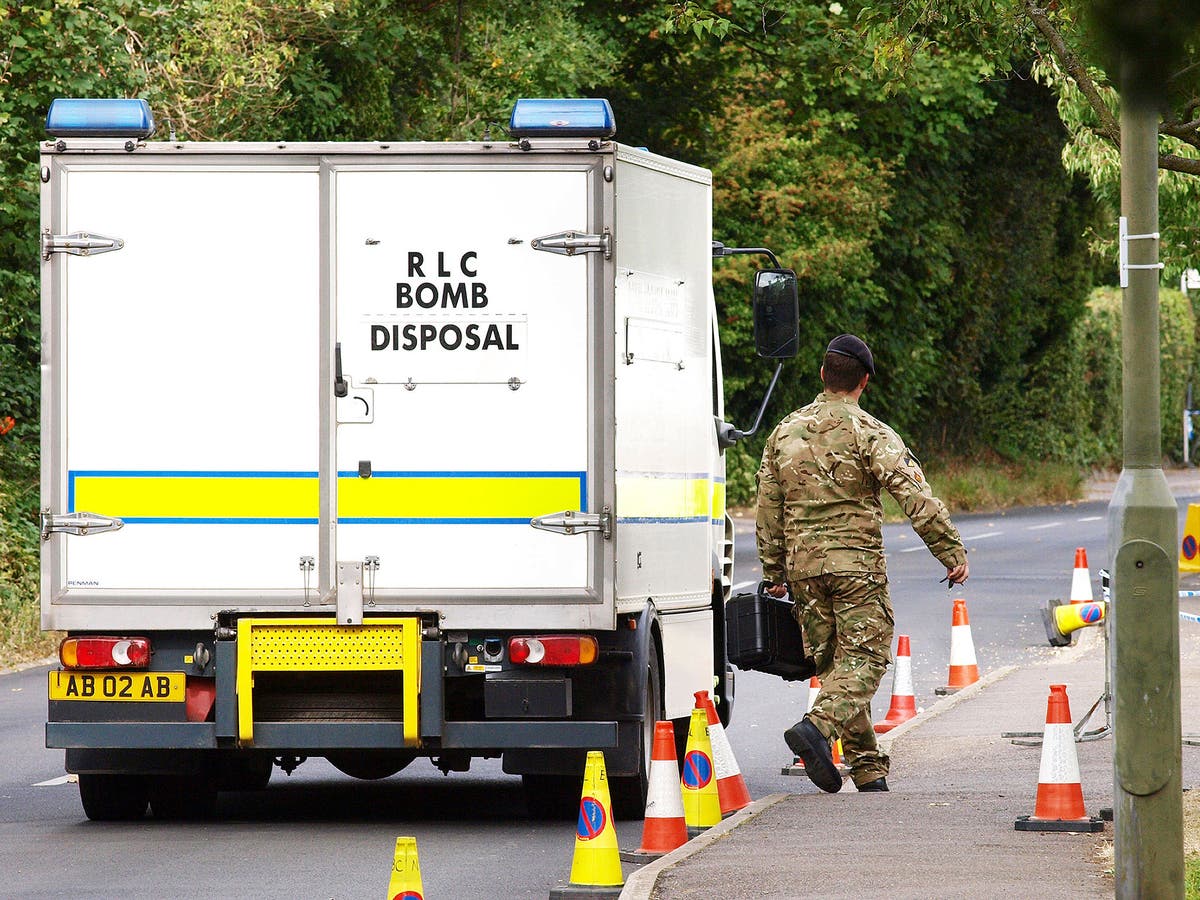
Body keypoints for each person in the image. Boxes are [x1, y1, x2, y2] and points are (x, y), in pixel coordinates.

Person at [756, 333, 968, 793]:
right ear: (864, 382)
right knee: (867, 655)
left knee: (836, 663)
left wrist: (773, 573)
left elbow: (768, 508)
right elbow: (912, 492)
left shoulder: (783, 433)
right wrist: (949, 551)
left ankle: (868, 768)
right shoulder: (869, 431)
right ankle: (817, 727)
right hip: (855, 565)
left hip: (803, 570)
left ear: (822, 375)